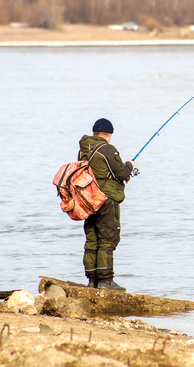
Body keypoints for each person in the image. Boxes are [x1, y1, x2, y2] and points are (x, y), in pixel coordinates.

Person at [78, 118, 135, 291]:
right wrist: (130, 165)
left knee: (92, 238)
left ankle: (92, 281)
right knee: (107, 238)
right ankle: (105, 281)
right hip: (106, 199)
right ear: (108, 134)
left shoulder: (83, 151)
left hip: (88, 200)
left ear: (94, 132)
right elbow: (121, 171)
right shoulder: (107, 149)